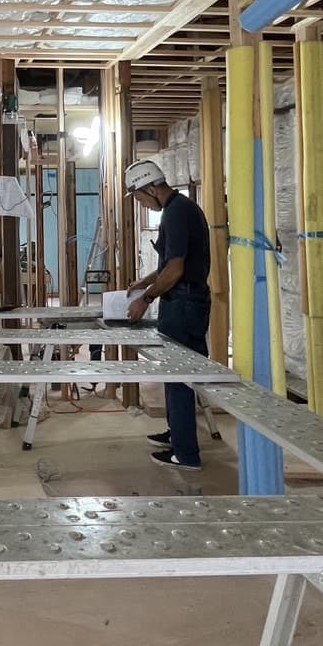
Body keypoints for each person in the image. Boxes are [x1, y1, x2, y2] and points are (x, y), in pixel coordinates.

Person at [123, 158, 211, 470]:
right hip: (186, 301)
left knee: (179, 377)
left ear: (150, 188)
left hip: (183, 304)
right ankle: (177, 434)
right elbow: (168, 264)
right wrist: (144, 282)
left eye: (139, 198)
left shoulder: (176, 213)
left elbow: (175, 270)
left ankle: (185, 454)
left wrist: (146, 298)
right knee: (176, 375)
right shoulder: (181, 208)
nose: (141, 204)